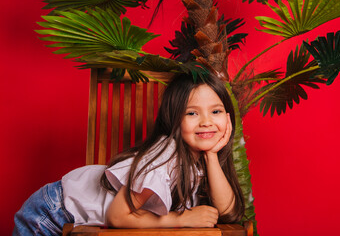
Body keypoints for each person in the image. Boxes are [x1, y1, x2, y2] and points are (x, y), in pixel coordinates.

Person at [13, 72, 245, 235]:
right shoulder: (167, 156)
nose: (206, 122)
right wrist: (180, 219)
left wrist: (212, 155)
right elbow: (117, 216)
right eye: (192, 113)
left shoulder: (200, 160)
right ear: (174, 119)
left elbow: (227, 212)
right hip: (54, 213)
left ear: (228, 117)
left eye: (216, 111)